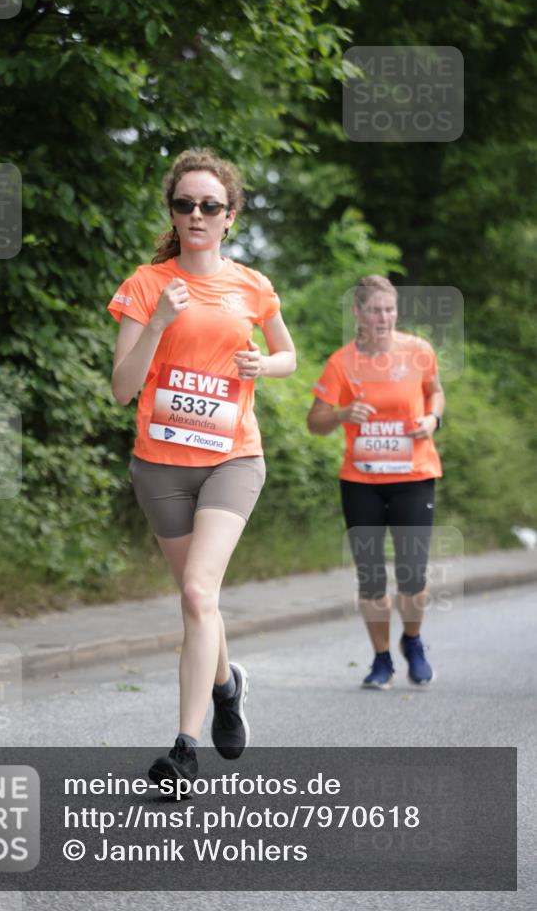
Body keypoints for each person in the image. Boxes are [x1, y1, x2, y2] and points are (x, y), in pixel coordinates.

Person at [108, 148, 296, 787]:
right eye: (184, 204)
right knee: (198, 602)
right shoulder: (145, 284)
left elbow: (288, 356)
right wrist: (159, 320)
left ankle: (183, 749)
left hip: (232, 458)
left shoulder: (252, 285)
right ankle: (227, 682)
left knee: (196, 592)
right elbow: (121, 387)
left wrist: (261, 367)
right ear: (173, 212)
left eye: (209, 205)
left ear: (230, 216)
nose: (196, 214)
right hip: (159, 465)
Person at [307, 275, 444, 689]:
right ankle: (381, 659)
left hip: (414, 476)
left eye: (390, 309)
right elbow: (315, 422)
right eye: (375, 310)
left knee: (413, 575)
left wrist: (432, 419)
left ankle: (414, 642)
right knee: (370, 576)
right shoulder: (340, 362)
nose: (383, 317)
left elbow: (435, 392)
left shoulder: (418, 351)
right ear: (358, 313)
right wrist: (342, 415)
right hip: (361, 480)